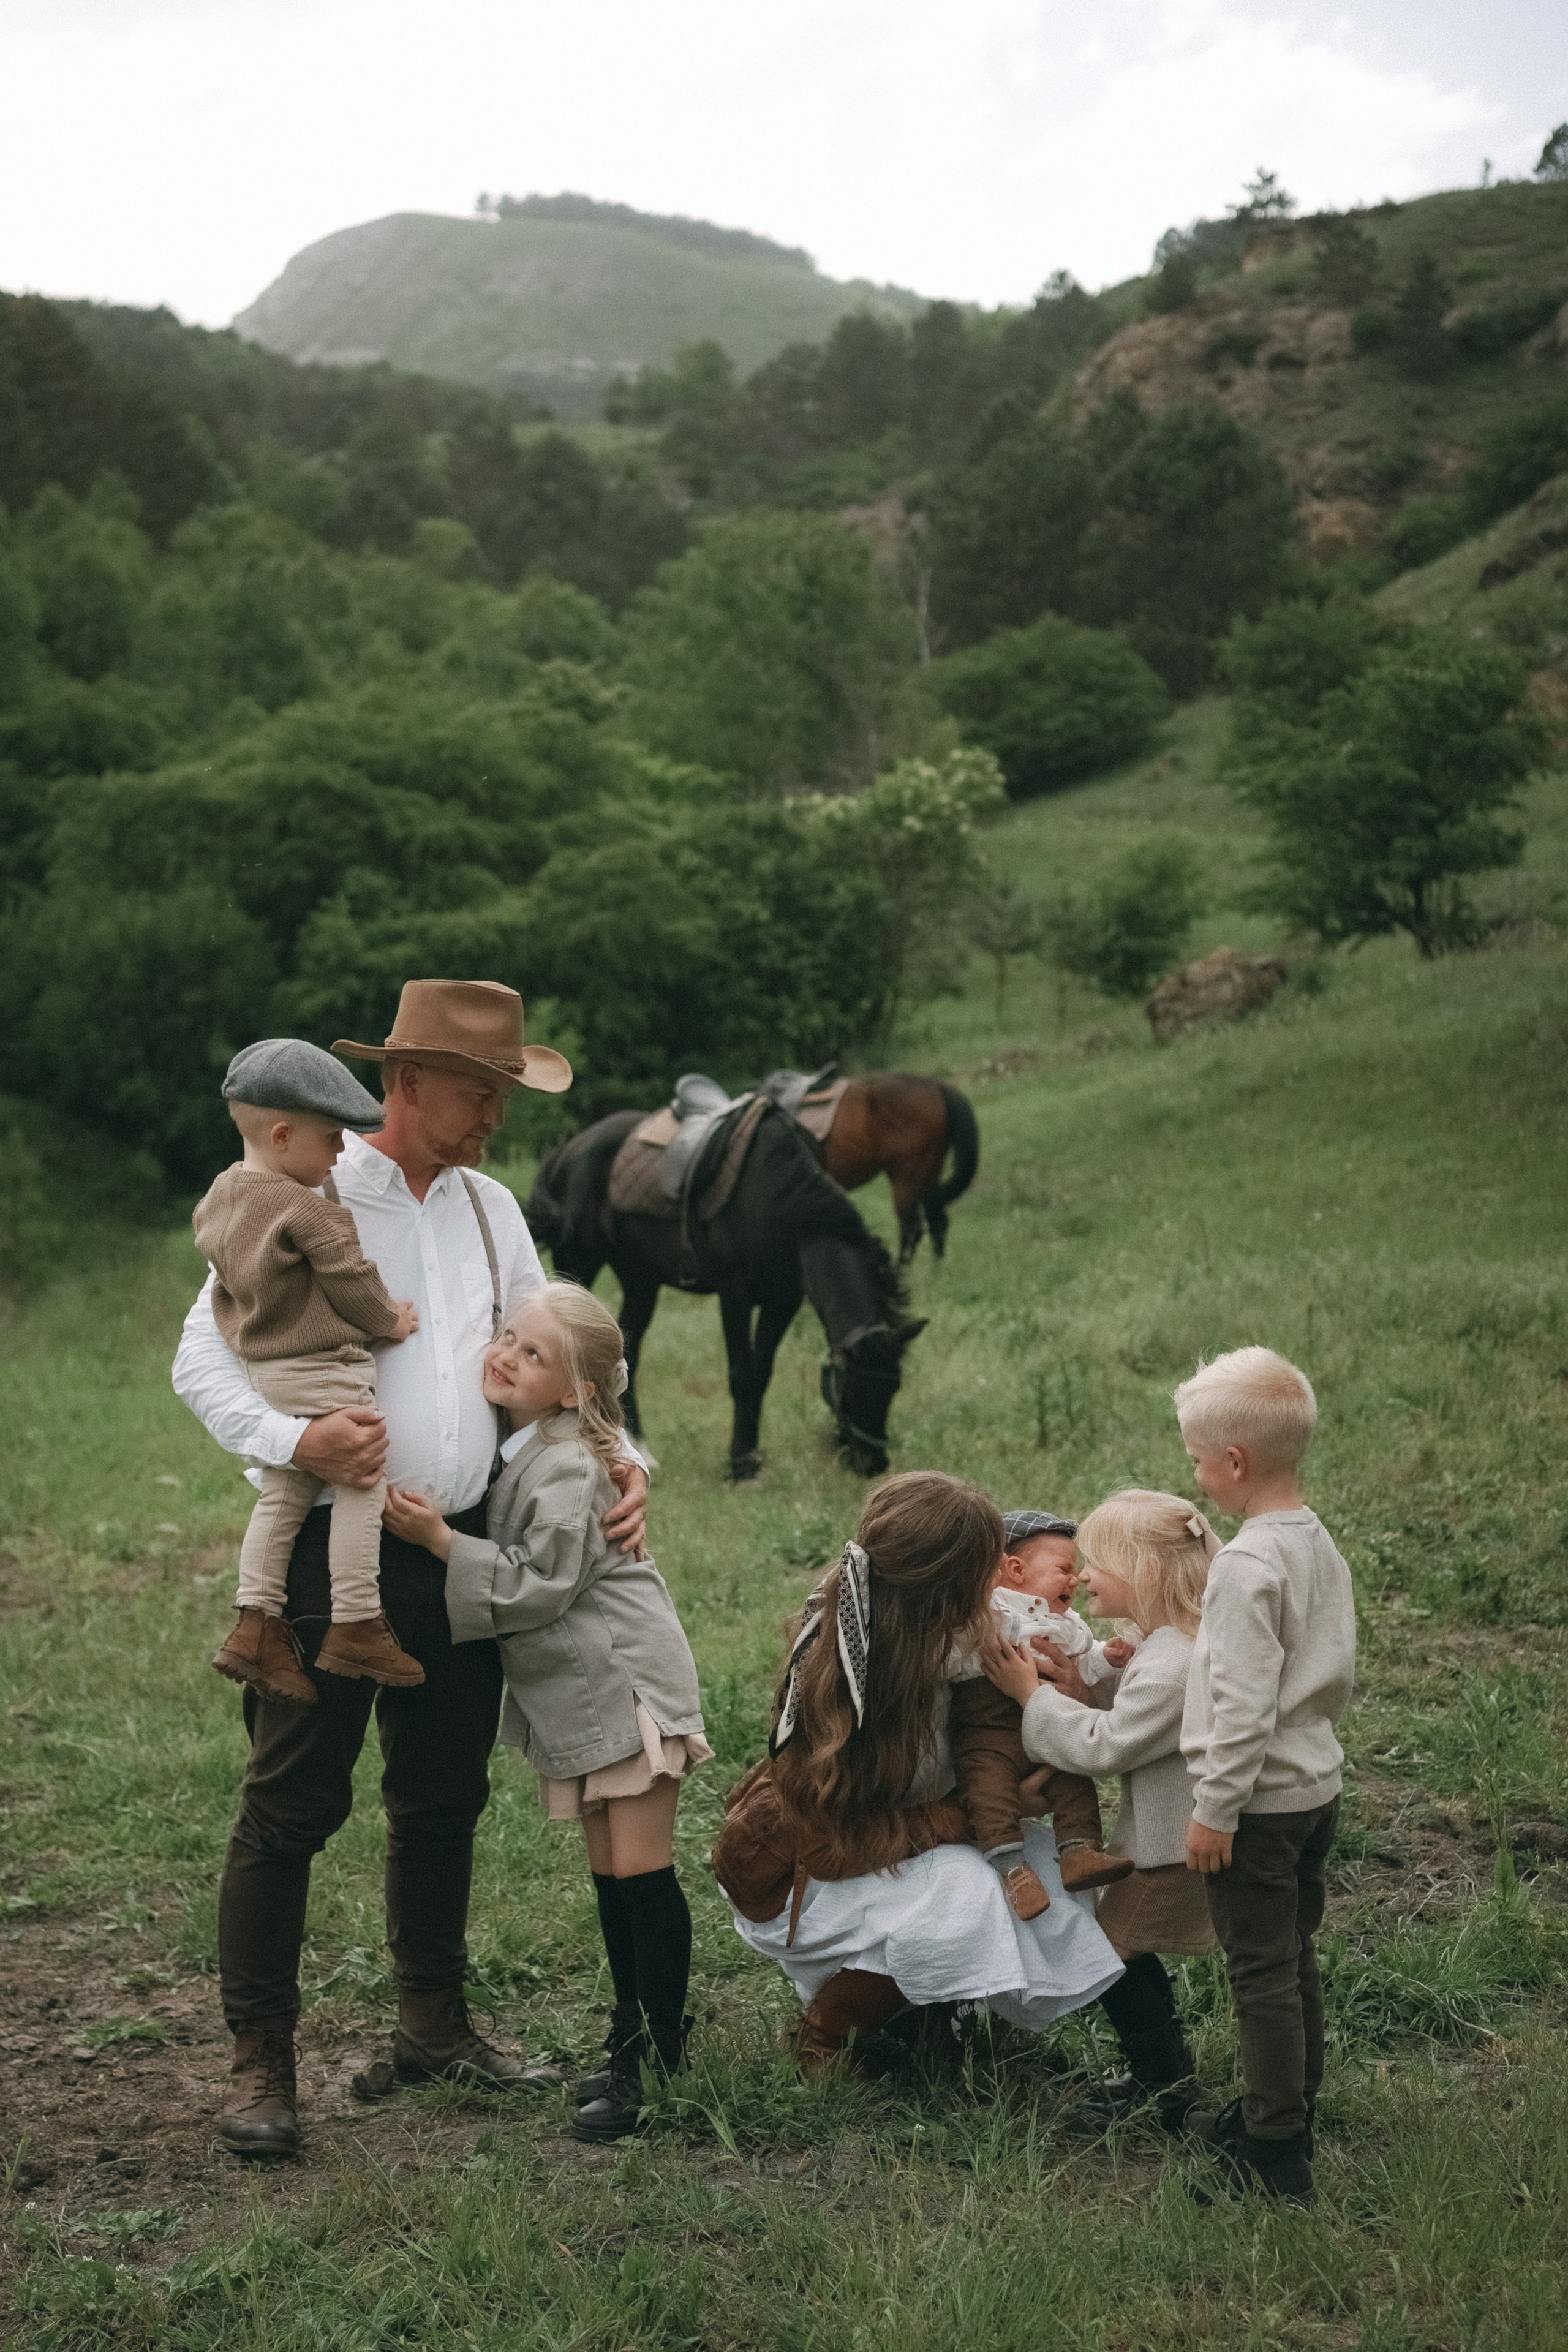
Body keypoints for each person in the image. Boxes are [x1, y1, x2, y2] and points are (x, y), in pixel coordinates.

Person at [173, 981, 649, 2160]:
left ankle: (433, 2031)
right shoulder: (304, 1189)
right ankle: (261, 2065)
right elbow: (199, 1358)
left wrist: (621, 1456)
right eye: (478, 1093)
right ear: (406, 1084)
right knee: (289, 1806)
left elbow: (563, 1349)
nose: (493, 1116)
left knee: (442, 1800)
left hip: (459, 1550)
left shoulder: (492, 1207)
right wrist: (297, 1442)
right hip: (324, 1558)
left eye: (502, 1095)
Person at [384, 1280, 710, 2146]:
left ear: (575, 1393)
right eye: (508, 1337)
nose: (505, 1357)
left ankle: (658, 2057)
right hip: (585, 1689)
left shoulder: (567, 1465)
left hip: (626, 1682)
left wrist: (442, 1543)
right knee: (611, 1875)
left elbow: (542, 1583)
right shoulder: (541, 1441)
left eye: (534, 1356)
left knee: (641, 1873)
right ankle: (630, 2033)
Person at [729, 1472, 1122, 2075]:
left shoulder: (957, 1643)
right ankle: (826, 2032)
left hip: (908, 1843)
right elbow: (835, 1850)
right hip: (809, 1881)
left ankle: (924, 2013)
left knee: (1050, 1871)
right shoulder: (855, 1675)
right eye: (984, 1572)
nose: (1000, 1581)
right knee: (967, 1891)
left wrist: (1068, 1692)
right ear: (945, 1590)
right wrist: (984, 1813)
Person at [1177, 1347, 1356, 2206]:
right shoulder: (1309, 1539)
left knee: (1259, 1974)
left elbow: (1242, 1707)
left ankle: (1274, 2148)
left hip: (1257, 1803)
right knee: (1293, 1955)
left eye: (1197, 1460)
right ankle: (1292, 2104)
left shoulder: (1245, 1568)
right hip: (1315, 1787)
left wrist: (1215, 1809)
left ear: (1235, 1463)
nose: (1197, 1472)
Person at [195, 1039, 424, 1702]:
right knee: (361, 1476)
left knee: (286, 1491)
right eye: (331, 1138)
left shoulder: (221, 1199)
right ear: (283, 1133)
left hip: (269, 1371)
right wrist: (389, 1322)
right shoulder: (309, 1209)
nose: (340, 1154)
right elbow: (351, 1285)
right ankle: (355, 1621)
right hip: (324, 1369)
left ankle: (255, 1624)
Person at [986, 1490, 1219, 2130]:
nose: (1083, 1575)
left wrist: (1031, 1694)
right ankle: (1162, 2076)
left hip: (1178, 1842)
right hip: (1178, 1833)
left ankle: (1163, 2087)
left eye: (1098, 1564)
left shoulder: (1172, 1663)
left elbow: (1106, 1743)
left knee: (1110, 1949)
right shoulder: (1166, 1642)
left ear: (1143, 1574)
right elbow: (1121, 1698)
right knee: (1120, 1949)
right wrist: (1082, 1683)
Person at [949, 1508, 1136, 1920]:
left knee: (1072, 1776)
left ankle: (1080, 1852)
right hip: (988, 1730)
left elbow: (1081, 1663)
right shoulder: (987, 1606)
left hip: (1044, 1721)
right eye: (1065, 1569)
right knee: (988, 1793)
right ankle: (1014, 1874)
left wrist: (1106, 1656)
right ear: (1013, 1569)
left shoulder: (1068, 1625)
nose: (1076, 1579)